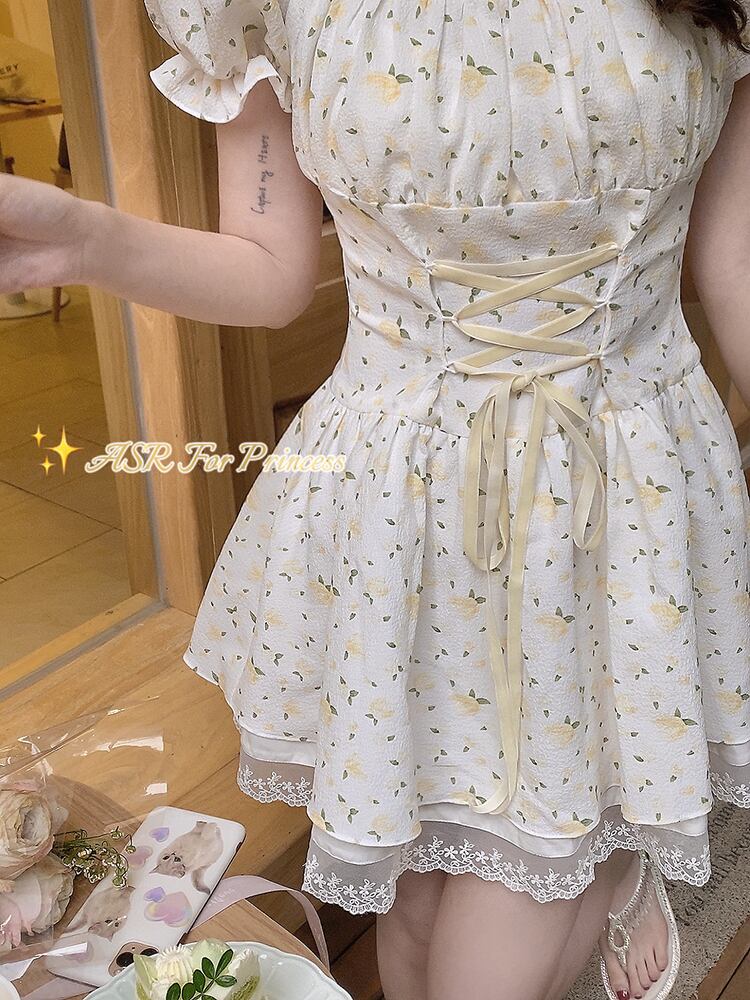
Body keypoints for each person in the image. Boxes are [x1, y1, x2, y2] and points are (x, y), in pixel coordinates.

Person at [2, 1, 750, 998]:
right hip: (398, 509)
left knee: (502, 916)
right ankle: (610, 859)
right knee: (418, 907)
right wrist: (85, 241)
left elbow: (733, 263)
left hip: (624, 500)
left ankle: (607, 857)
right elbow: (271, 270)